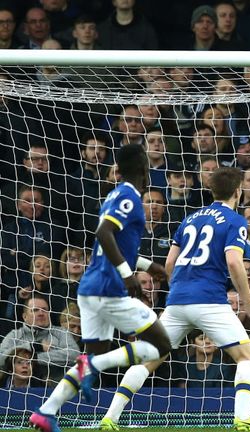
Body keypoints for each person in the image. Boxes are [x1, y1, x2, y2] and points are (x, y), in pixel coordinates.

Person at [98, 167, 250, 431]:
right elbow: (234, 262)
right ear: (238, 190)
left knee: (148, 360)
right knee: (247, 357)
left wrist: (181, 289)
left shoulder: (189, 219)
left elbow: (170, 262)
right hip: (210, 301)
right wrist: (248, 301)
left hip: (177, 300)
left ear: (211, 190)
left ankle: (110, 418)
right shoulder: (235, 220)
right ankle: (243, 419)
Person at [29, 144, 172, 432]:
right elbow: (103, 233)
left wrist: (145, 265)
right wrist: (128, 274)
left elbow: (113, 243)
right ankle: (92, 366)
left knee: (90, 358)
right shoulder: (130, 196)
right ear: (146, 171)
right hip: (109, 289)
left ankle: (46, 411)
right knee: (162, 345)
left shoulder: (114, 194)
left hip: (90, 289)